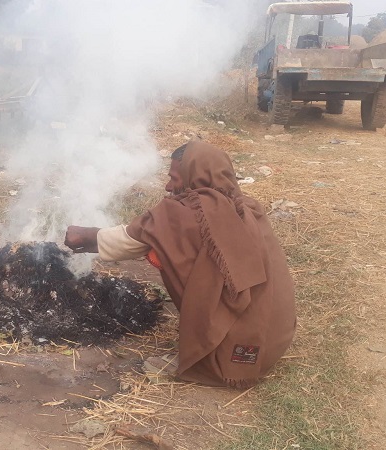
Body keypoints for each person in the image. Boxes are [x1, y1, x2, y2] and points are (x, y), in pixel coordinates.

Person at [64, 141, 295, 388]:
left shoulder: (186, 212)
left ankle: (213, 356)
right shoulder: (248, 207)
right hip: (272, 341)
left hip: (233, 356)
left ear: (193, 177)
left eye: (174, 178)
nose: (168, 186)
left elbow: (132, 239)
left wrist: (86, 236)